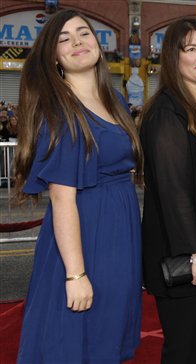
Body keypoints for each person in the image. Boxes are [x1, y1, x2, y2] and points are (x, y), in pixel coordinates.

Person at [14, 9, 143, 363]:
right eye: (64, 39)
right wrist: (76, 274)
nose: (76, 43)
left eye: (83, 33)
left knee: (108, 336)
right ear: (53, 56)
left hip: (120, 233)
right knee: (75, 340)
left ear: (98, 44)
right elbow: (62, 200)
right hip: (84, 238)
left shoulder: (114, 99)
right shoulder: (60, 111)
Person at [139, 18, 196, 364]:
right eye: (191, 49)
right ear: (174, 57)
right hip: (188, 257)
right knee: (187, 352)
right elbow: (173, 190)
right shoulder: (165, 112)